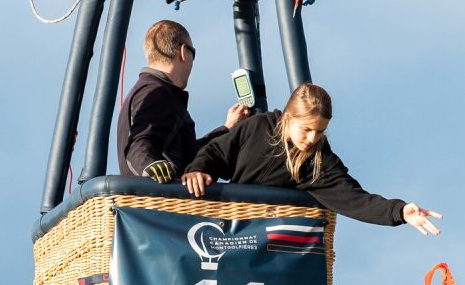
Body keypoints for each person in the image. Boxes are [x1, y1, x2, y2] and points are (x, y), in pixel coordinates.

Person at [183, 83, 442, 235]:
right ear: (288, 118)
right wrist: (199, 169)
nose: (312, 138)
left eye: (320, 131)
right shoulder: (258, 127)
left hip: (262, 238)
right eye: (306, 129)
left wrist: (399, 210)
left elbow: (354, 199)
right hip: (225, 225)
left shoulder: (318, 160)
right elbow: (216, 152)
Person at [118, 19, 250, 183]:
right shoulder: (156, 92)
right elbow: (138, 146)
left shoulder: (153, 91)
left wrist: (226, 129)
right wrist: (151, 169)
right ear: (183, 52)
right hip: (160, 204)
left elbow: (190, 155)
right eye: (193, 53)